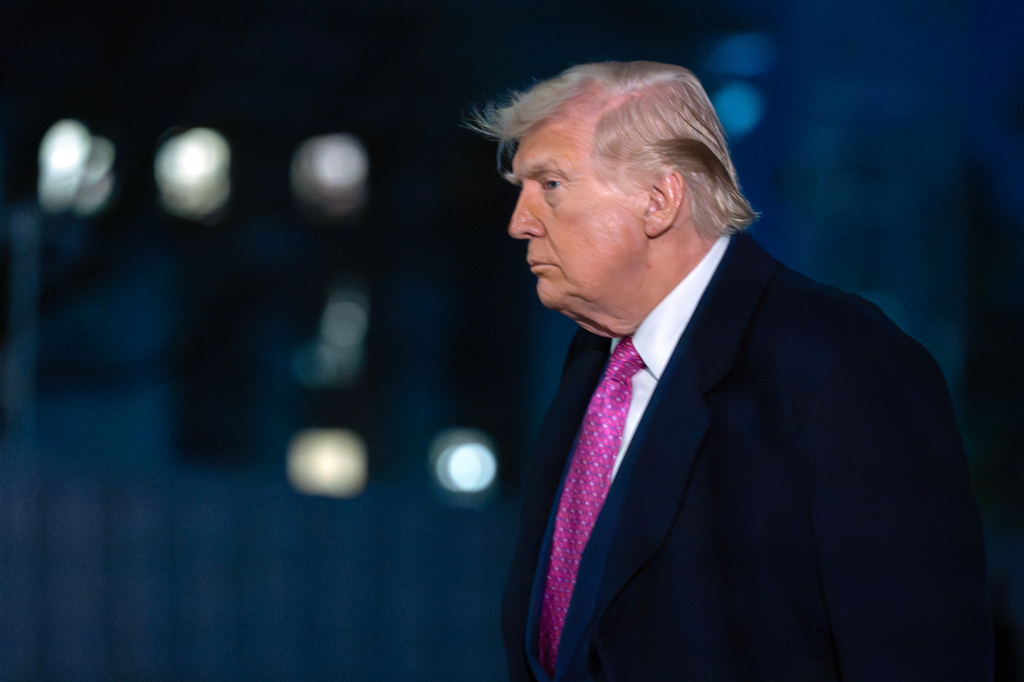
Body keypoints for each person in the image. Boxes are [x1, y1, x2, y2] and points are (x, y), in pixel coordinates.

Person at [468, 61, 992, 681]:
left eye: (550, 185)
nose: (519, 221)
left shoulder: (846, 371)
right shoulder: (593, 364)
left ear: (659, 200)